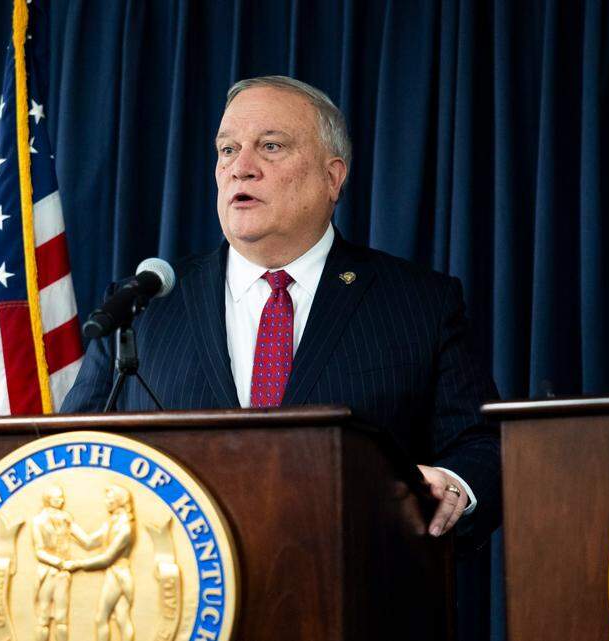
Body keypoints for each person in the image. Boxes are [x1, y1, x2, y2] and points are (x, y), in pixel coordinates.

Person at [62, 75, 500, 539]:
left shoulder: (419, 303)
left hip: (357, 589)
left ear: (333, 177)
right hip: (181, 596)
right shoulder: (144, 306)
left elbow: (480, 447)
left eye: (270, 147)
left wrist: (451, 487)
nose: (241, 168)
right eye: (227, 150)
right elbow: (70, 453)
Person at [63, 486, 137, 641]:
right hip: (117, 575)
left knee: (101, 618)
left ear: (119, 501)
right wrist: (71, 525)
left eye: (109, 499)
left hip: (118, 575)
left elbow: (107, 559)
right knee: (123, 619)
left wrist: (77, 565)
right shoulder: (112, 522)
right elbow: (89, 543)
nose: (106, 502)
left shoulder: (125, 528)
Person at [31, 485, 97, 641]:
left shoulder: (66, 519)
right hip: (47, 572)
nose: (61, 500)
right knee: (44, 616)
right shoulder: (38, 521)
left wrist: (109, 534)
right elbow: (39, 551)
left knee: (61, 617)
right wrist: (58, 562)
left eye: (61, 497)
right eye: (57, 497)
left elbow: (86, 541)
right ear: (48, 500)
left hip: (63, 575)